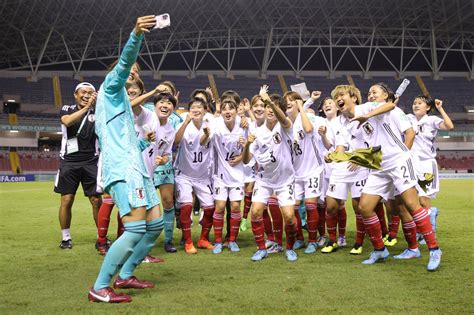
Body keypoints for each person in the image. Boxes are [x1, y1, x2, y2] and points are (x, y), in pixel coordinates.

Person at [88, 15, 165, 303]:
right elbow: (122, 65)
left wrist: (145, 142)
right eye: (129, 69)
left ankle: (126, 274)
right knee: (134, 229)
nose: (133, 71)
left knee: (155, 224)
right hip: (122, 169)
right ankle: (100, 285)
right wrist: (136, 35)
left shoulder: (119, 101)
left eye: (136, 70)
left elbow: (125, 138)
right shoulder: (110, 87)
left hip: (138, 170)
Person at [330, 85, 442, 271]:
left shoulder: (366, 109)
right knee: (364, 207)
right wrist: (336, 155)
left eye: (341, 95)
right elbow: (353, 147)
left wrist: (368, 115)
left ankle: (434, 249)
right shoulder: (347, 122)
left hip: (398, 162)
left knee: (411, 205)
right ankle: (380, 250)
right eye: (336, 97)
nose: (338, 99)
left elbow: (389, 106)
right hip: (379, 167)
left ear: (353, 98)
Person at [242, 85, 298, 262]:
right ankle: (261, 249)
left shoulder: (285, 128)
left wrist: (269, 101)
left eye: (273, 107)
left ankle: (289, 248)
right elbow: (245, 160)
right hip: (264, 180)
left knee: (289, 217)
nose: (270, 110)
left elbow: (284, 118)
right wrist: (247, 145)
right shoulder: (257, 132)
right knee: (256, 212)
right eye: (267, 107)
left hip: (285, 180)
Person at [394, 96, 453, 258]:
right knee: (411, 200)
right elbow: (393, 114)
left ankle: (427, 228)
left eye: (420, 103)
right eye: (414, 103)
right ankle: (426, 222)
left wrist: (440, 108)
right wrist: (396, 102)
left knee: (423, 200)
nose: (416, 105)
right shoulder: (408, 118)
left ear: (427, 107)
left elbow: (449, 126)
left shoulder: (432, 119)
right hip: (409, 163)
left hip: (426, 165)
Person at [54, 82, 102, 249]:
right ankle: (66, 238)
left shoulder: (99, 112)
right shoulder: (67, 109)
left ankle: (101, 237)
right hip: (69, 161)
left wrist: (95, 106)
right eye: (83, 92)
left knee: (96, 201)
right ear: (76, 94)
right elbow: (67, 122)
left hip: (92, 161)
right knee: (67, 199)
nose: (86, 95)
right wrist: (86, 108)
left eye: (90, 92)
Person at [283, 91, 325, 254]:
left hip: (313, 169)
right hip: (296, 173)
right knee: (293, 208)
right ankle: (300, 238)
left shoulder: (305, 118)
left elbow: (308, 129)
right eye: (286, 100)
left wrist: (302, 106)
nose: (288, 102)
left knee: (310, 205)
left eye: (292, 100)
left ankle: (313, 241)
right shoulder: (285, 123)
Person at [174, 98, 216, 254]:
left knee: (210, 207)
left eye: (199, 107)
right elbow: (176, 142)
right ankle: (188, 241)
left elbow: (204, 141)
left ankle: (203, 239)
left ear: (205, 110)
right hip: (184, 174)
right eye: (193, 107)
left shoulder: (210, 125)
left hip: (203, 176)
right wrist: (185, 123)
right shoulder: (183, 124)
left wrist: (206, 133)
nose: (196, 110)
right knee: (186, 206)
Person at [211, 99, 247, 254]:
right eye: (224, 109)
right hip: (220, 174)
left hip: (238, 174)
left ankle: (232, 240)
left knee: (235, 207)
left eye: (231, 109)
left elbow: (249, 153)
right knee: (219, 207)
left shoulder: (244, 125)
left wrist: (243, 152)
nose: (227, 111)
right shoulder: (216, 124)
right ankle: (218, 241)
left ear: (236, 111)